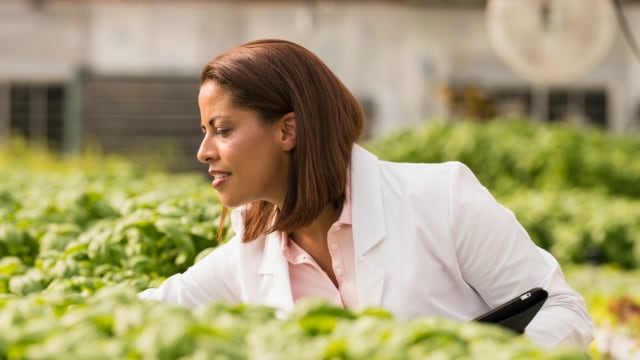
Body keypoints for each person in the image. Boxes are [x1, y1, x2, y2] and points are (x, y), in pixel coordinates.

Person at [138, 39, 594, 349]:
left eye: (222, 130)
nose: (203, 152)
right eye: (205, 132)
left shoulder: (440, 198)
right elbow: (139, 315)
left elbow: (564, 311)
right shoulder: (251, 252)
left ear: (287, 130)